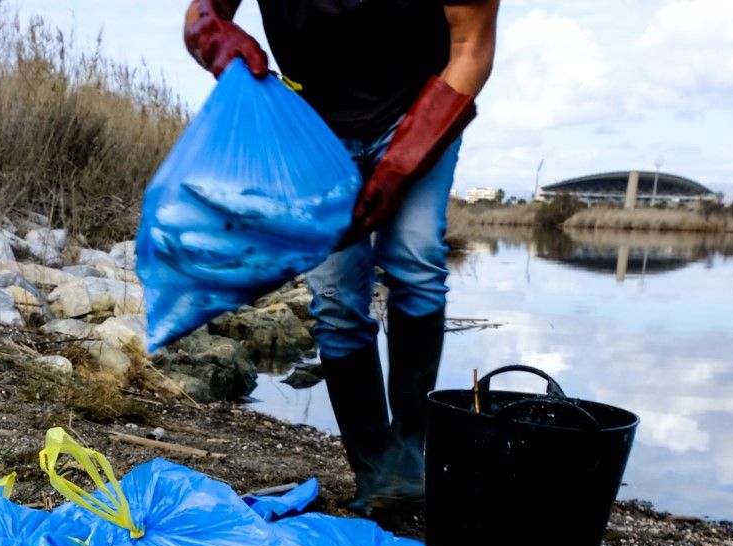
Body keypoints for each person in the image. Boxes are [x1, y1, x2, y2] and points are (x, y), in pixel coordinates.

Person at [183, 0, 497, 516]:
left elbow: (471, 46)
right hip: (312, 128)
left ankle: (410, 452)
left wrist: (407, 156)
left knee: (415, 261)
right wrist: (214, 38)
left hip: (419, 110)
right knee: (335, 297)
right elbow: (204, 13)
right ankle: (376, 471)